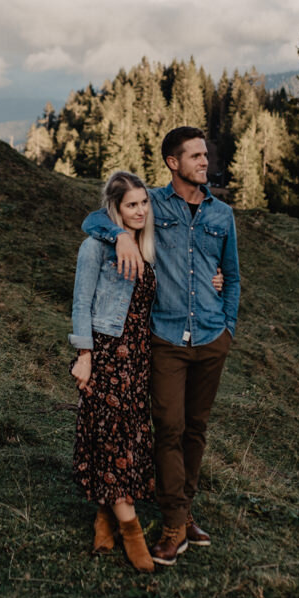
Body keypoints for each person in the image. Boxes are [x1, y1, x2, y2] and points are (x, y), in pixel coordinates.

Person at [81, 127, 240, 566]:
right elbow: (96, 217)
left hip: (211, 338)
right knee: (167, 426)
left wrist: (228, 325)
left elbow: (234, 275)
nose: (204, 163)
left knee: (195, 429)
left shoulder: (222, 215)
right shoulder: (151, 203)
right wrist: (121, 236)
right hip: (166, 338)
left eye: (205, 156)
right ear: (173, 163)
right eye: (194, 157)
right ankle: (173, 522)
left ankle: (183, 512)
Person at [69, 171, 159, 572]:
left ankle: (105, 515)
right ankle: (131, 528)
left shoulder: (148, 245)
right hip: (107, 353)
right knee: (110, 439)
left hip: (138, 358)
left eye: (143, 203)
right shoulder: (95, 247)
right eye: (131, 205)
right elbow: (80, 303)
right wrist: (84, 355)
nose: (140, 211)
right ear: (116, 209)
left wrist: (216, 278)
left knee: (127, 437)